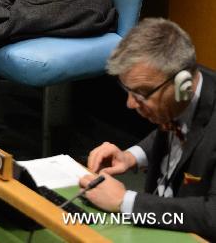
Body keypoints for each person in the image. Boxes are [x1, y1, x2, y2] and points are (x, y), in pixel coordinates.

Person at [83, 19, 216, 240]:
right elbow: (183, 128)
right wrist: (131, 157)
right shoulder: (181, 93)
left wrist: (124, 201)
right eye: (127, 90)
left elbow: (212, 217)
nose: (130, 104)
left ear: (183, 86)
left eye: (141, 94)